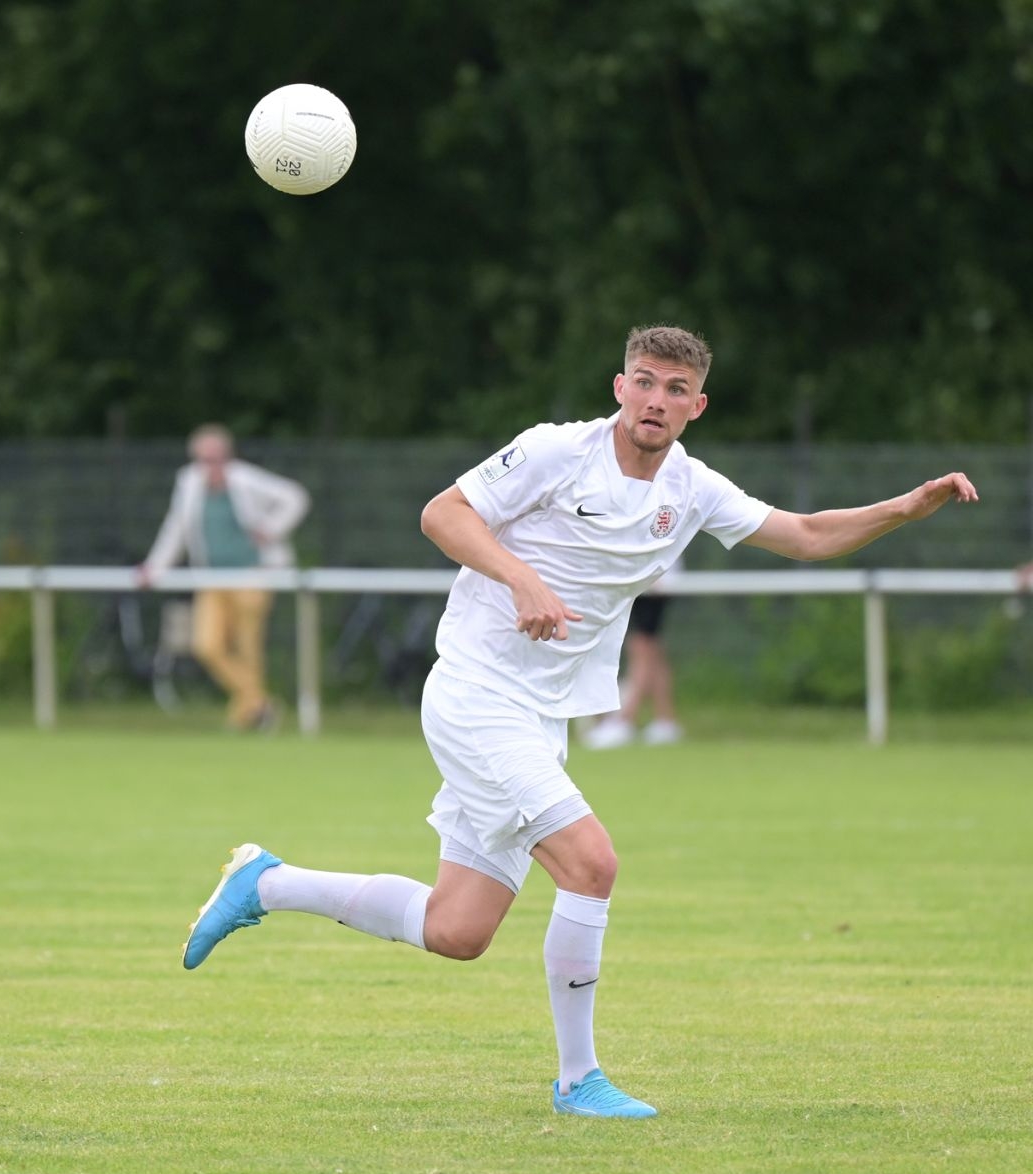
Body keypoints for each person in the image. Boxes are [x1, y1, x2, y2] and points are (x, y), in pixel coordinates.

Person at [181, 326, 977, 1118]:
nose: (656, 399)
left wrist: (906, 508)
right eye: (644, 381)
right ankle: (578, 1080)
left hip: (540, 716)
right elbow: (443, 515)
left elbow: (803, 534)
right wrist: (521, 579)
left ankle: (267, 883)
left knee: (458, 929)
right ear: (620, 387)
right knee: (592, 864)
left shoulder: (692, 488)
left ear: (696, 406)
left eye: (675, 389)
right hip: (476, 694)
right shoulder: (557, 451)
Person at [137, 424, 309, 730]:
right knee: (206, 646)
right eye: (204, 459)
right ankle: (259, 703)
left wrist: (271, 530)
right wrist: (154, 566)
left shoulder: (245, 479)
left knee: (248, 648)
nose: (211, 466)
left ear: (227, 456)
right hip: (211, 579)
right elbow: (175, 529)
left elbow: (294, 497)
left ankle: (246, 715)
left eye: (217, 458)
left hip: (252, 577)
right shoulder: (189, 483)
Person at [583, 566, 682, 748]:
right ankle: (665, 720)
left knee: (641, 645)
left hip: (653, 578)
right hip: (643, 577)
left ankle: (625, 720)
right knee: (651, 647)